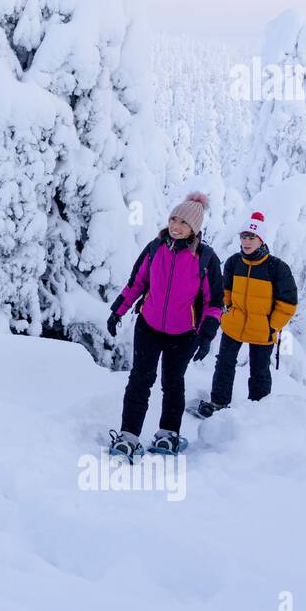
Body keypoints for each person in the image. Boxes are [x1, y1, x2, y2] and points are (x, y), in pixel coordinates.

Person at [105, 192, 224, 461]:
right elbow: (136, 283)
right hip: (148, 327)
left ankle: (168, 434)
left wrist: (206, 335)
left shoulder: (205, 258)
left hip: (183, 335)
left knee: (173, 383)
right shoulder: (155, 248)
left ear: (194, 227)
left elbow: (215, 301)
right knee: (139, 381)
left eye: (183, 221)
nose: (176, 225)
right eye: (173, 218)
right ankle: (128, 437)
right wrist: (117, 312)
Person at [195, 210, 298, 417]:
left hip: (262, 331)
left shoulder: (277, 267)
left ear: (261, 240)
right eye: (244, 236)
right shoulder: (234, 262)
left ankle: (258, 411)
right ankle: (218, 403)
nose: (247, 241)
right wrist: (228, 312)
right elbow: (224, 292)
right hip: (234, 325)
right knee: (224, 364)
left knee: (259, 371)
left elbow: (287, 303)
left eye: (252, 237)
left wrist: (272, 326)